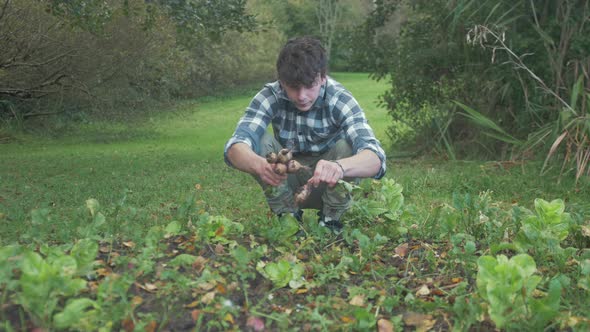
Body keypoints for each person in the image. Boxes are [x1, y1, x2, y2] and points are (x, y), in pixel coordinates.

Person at [224, 36, 386, 234]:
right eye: (293, 87)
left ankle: (331, 221)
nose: (302, 96)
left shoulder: (339, 98)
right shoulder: (270, 95)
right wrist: (258, 164)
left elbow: (375, 157)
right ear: (281, 81)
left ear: (323, 77)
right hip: (285, 181)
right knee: (258, 141)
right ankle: (287, 217)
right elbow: (235, 146)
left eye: (310, 86)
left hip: (327, 182)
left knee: (349, 146)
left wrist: (339, 167)